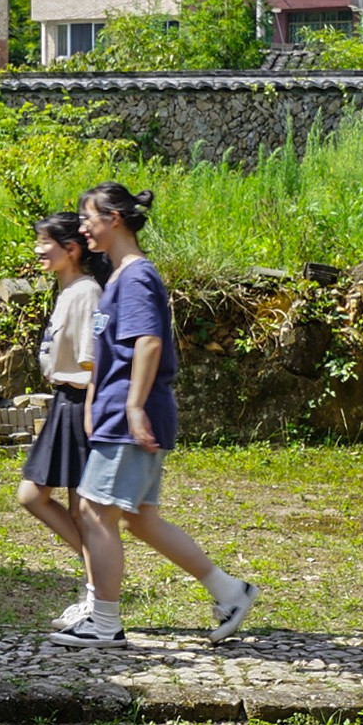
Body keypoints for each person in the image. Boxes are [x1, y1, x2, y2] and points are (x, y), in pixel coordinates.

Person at [57, 182, 259, 647]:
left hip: (132, 415)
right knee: (140, 519)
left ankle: (104, 621)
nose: (83, 226)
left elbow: (147, 341)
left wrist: (131, 407)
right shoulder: (119, 277)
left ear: (115, 220)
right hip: (121, 413)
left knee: (93, 510)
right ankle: (230, 591)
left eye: (89, 216)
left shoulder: (137, 277)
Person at [17, 212, 109, 625]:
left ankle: (98, 595)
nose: (37, 250)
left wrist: (90, 415)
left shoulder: (86, 293)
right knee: (34, 497)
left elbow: (95, 362)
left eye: (45, 242)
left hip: (80, 404)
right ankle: (98, 583)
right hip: (65, 404)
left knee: (81, 511)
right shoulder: (69, 290)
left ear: (71, 249)